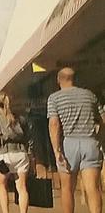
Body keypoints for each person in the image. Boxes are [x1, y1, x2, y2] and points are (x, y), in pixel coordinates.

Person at [47, 67, 104, 213]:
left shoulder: (54, 98)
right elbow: (102, 120)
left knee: (67, 189)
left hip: (69, 144)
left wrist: (56, 150)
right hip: (90, 142)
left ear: (58, 80)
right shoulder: (90, 95)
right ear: (74, 79)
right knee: (93, 188)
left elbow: (54, 124)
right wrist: (99, 139)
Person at [0, 91, 31, 213]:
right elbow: (28, 137)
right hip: (21, 153)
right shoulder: (20, 118)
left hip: (4, 154)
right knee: (22, 188)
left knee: (2, 186)